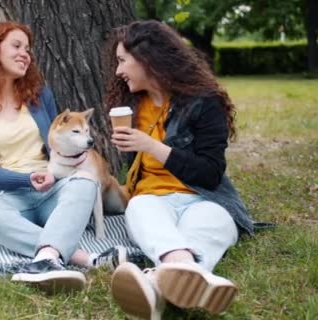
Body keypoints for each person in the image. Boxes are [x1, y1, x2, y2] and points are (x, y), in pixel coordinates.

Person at [0, 21, 132, 293]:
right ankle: (81, 258)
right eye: (16, 46)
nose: (25, 54)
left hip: (54, 188)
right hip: (9, 197)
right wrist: (28, 180)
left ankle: (46, 258)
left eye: (27, 49)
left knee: (86, 181)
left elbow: (56, 147)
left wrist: (76, 160)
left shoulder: (40, 95)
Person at [101, 20, 255, 318]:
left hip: (205, 198)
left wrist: (151, 145)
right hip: (152, 200)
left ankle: (156, 286)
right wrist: (134, 148)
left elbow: (210, 174)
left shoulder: (204, 102)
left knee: (210, 225)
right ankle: (186, 274)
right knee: (140, 210)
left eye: (122, 61)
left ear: (147, 58)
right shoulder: (132, 104)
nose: (118, 71)